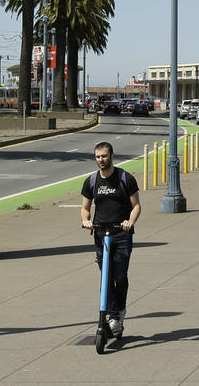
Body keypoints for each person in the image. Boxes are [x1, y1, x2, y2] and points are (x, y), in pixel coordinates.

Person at [80, 142, 141, 336]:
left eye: (104, 156)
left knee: (120, 277)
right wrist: (86, 220)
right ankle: (113, 317)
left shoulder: (125, 178)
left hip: (121, 235)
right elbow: (85, 208)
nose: (101, 160)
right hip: (101, 235)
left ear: (112, 156)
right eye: (98, 157)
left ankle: (119, 312)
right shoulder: (91, 181)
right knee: (106, 277)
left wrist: (129, 221)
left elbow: (137, 206)